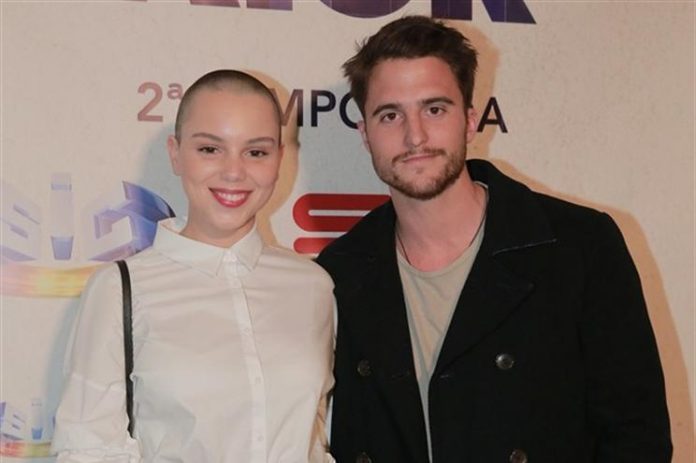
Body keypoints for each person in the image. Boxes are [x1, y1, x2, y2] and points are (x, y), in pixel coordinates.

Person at [316, 16, 671, 463]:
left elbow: (638, 437)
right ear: (365, 134)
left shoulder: (579, 246)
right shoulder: (340, 270)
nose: (415, 135)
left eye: (434, 109)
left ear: (470, 120)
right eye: (390, 115)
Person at [52, 70, 335, 462]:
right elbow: (86, 449)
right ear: (175, 153)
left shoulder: (313, 286)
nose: (234, 172)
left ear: (279, 160)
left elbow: (316, 441)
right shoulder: (120, 288)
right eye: (210, 149)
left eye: (256, 152)